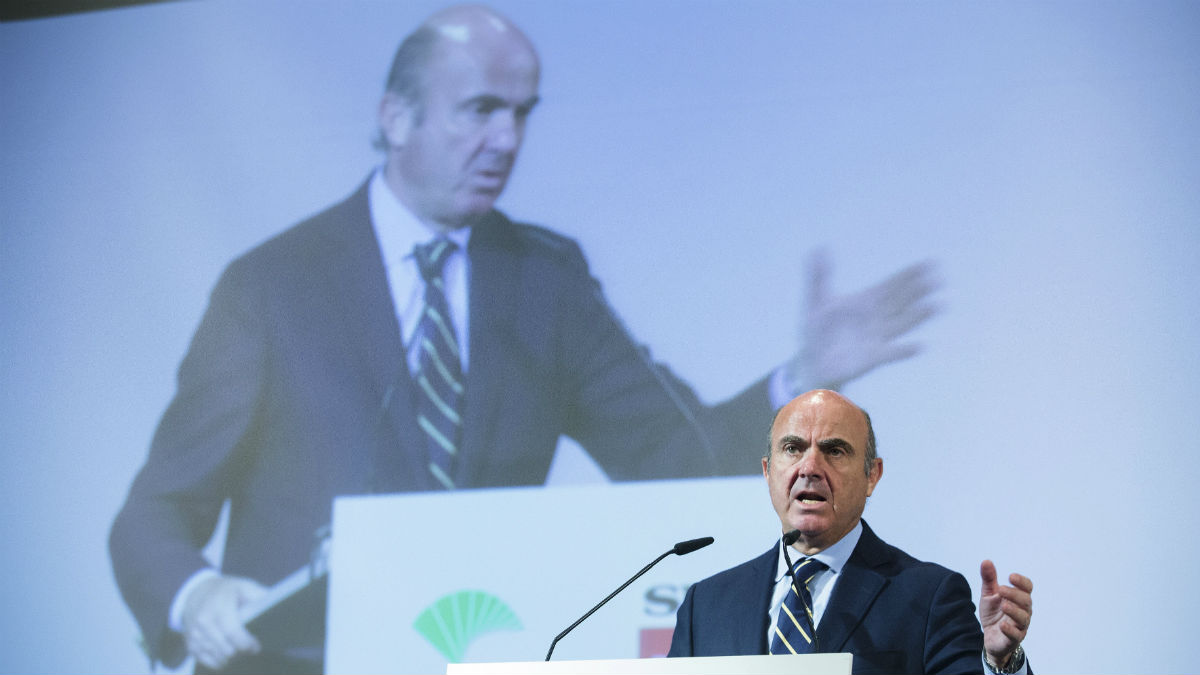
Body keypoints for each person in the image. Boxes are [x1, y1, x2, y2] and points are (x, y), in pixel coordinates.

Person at [109, 5, 940, 674]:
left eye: (520, 114)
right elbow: (154, 511)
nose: (506, 141)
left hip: (485, 654)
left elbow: (671, 453)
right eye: (480, 111)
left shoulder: (545, 278)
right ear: (396, 117)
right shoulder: (275, 284)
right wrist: (196, 594)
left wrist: (803, 376)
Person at [668, 389, 1034, 674]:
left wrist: (1000, 664)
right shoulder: (706, 605)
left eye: (835, 450)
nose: (810, 466)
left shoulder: (929, 597)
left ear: (872, 475)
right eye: (793, 448)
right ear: (768, 471)